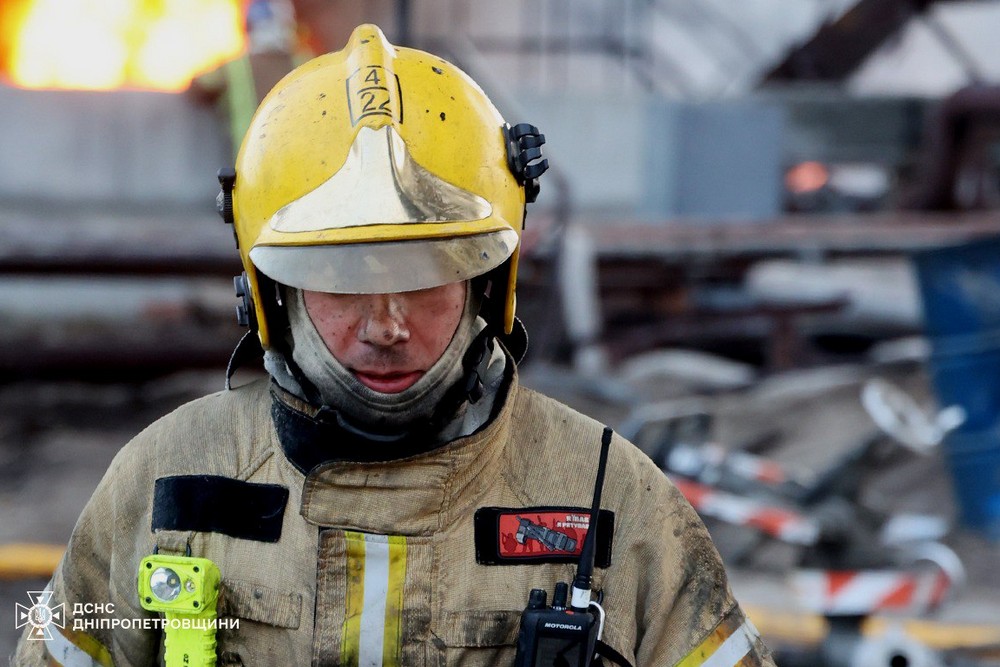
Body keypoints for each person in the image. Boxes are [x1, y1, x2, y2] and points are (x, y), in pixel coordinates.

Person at [15, 24, 774, 667]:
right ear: (268, 288)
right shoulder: (166, 481)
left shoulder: (611, 501)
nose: (387, 325)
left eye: (427, 276)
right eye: (343, 280)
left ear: (490, 281)